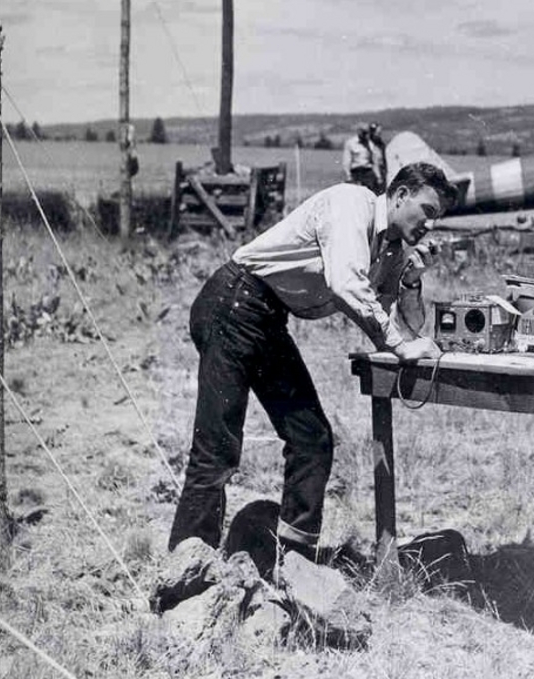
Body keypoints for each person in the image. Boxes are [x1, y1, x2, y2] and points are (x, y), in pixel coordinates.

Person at [167, 162, 457, 562]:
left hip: (267, 317)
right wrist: (398, 346)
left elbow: (395, 320)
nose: (430, 224)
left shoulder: (391, 249)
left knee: (312, 440)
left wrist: (410, 280)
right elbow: (347, 286)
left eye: (436, 218)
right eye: (427, 211)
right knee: (216, 449)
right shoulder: (350, 205)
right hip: (233, 303)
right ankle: (187, 574)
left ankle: (294, 563)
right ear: (401, 195)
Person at [342, 124, 377, 190]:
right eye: (363, 132)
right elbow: (347, 160)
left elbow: (374, 161)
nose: (365, 135)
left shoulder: (370, 144)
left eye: (367, 133)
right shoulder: (350, 143)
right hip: (356, 173)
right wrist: (348, 175)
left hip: (368, 173)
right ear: (358, 131)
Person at [368, 122, 387, 194]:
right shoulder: (368, 145)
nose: (379, 134)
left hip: (381, 170)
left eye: (380, 133)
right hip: (372, 174)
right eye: (378, 133)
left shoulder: (381, 144)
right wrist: (378, 176)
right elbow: (373, 162)